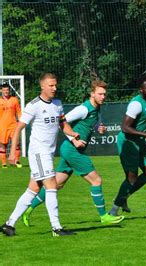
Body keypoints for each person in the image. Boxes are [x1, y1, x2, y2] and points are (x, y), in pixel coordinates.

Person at [21, 80, 124, 226]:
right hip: (72, 150)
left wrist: (98, 128)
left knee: (56, 184)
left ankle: (28, 209)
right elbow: (62, 122)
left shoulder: (96, 108)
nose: (103, 97)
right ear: (92, 93)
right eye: (100, 94)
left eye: (104, 94)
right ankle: (104, 217)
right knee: (96, 180)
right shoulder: (83, 108)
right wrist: (74, 139)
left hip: (71, 150)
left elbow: (88, 124)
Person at [1, 73, 77, 237]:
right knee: (51, 185)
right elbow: (18, 129)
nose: (54, 88)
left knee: (33, 188)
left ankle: (9, 224)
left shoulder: (57, 104)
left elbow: (63, 124)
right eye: (51, 85)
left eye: (55, 85)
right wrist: (13, 152)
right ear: (42, 86)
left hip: (48, 153)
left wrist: (74, 135)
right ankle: (56, 228)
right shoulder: (33, 105)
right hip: (38, 152)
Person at [108, 75, 146, 216]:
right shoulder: (136, 104)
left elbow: (141, 125)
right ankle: (113, 211)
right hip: (128, 143)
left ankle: (123, 197)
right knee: (131, 178)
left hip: (139, 141)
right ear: (141, 90)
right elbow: (125, 127)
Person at [0, 83, 22, 168]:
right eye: (4, 90)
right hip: (2, 126)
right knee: (2, 145)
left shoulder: (14, 99)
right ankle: (4, 163)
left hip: (13, 125)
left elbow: (19, 111)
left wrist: (20, 121)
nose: (6, 91)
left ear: (9, 91)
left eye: (7, 90)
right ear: (1, 90)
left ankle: (16, 161)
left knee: (16, 143)